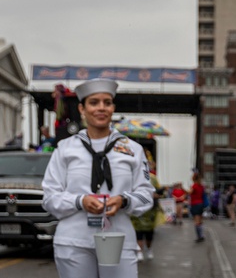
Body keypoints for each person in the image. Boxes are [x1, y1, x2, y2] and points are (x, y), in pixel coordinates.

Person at [42, 78, 155, 278]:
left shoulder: (133, 150)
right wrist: (80, 201)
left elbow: (147, 195)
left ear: (113, 108)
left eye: (107, 102)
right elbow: (50, 197)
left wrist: (124, 200)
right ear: (82, 109)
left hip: (117, 239)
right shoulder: (65, 149)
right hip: (73, 241)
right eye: (94, 103)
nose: (101, 108)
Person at [129, 151, 165, 261]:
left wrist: (155, 195)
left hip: (150, 210)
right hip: (137, 208)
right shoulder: (132, 176)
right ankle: (139, 251)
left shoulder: (153, 178)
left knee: (149, 233)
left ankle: (148, 249)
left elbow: (159, 193)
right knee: (138, 232)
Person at [188, 170, 206, 242]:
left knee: (196, 221)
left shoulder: (194, 185)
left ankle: (199, 236)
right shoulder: (201, 186)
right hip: (201, 203)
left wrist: (182, 188)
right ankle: (201, 235)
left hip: (195, 204)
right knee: (200, 220)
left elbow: (190, 192)